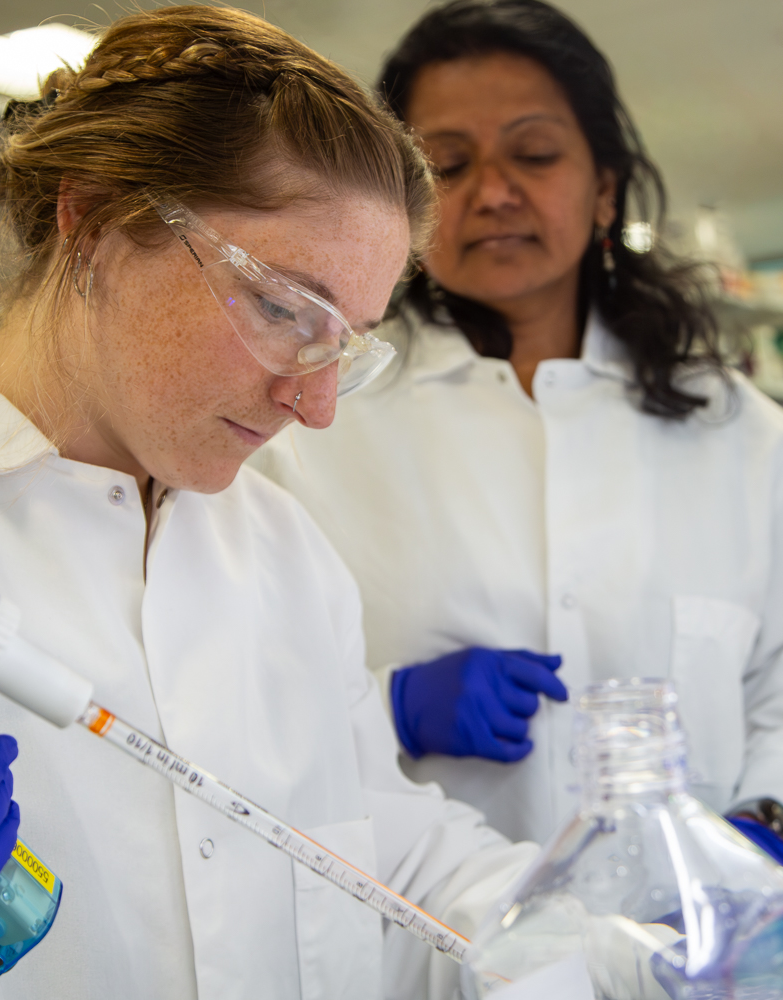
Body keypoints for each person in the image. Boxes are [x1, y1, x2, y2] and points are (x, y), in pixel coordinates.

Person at [0, 8, 539, 1000]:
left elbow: (378, 852)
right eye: (282, 307)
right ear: (93, 217)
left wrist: (605, 940)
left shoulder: (281, 546)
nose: (314, 405)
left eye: (344, 343)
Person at [257, 0, 783, 850]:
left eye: (534, 155)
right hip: (425, 950)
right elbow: (229, 679)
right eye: (449, 165)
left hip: (697, 952)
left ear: (605, 189)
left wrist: (768, 825)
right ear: (407, 208)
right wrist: (384, 705)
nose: (496, 193)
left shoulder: (740, 434)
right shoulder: (311, 417)